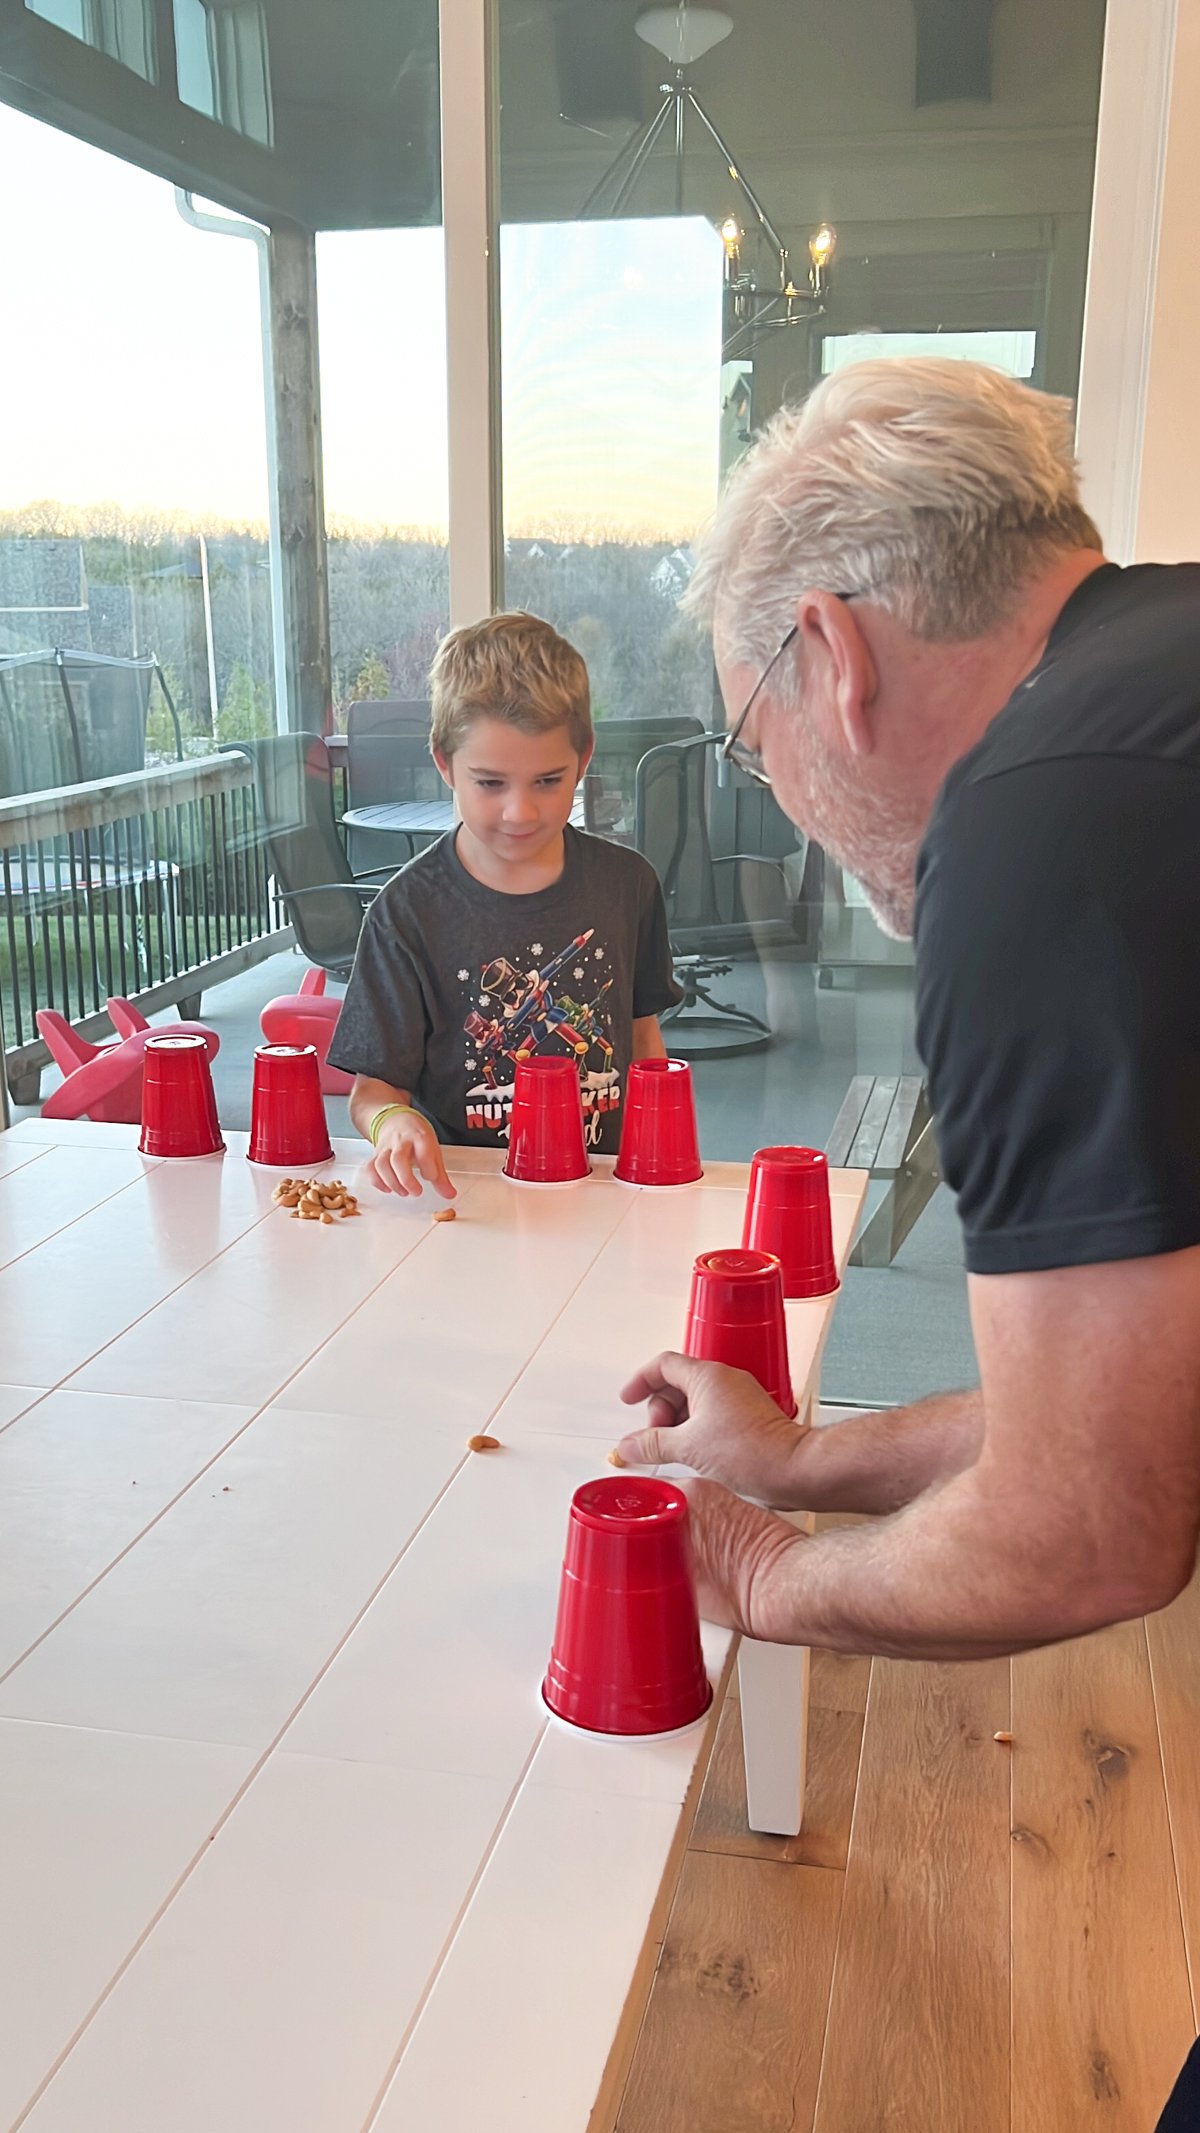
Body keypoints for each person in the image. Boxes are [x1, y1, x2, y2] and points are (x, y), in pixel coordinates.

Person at [612, 359, 1200, 2124]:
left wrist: (771, 1574)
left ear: (831, 656)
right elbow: (1134, 1406)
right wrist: (801, 1456)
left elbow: (1090, 1525)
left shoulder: (1044, 829)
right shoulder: (1158, 684)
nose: (777, 792)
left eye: (747, 737)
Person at [329, 612, 681, 1198]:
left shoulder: (628, 885)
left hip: (608, 1191)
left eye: (548, 781)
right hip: (467, 1199)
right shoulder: (405, 912)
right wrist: (395, 1123)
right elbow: (373, 1093)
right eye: (490, 783)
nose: (521, 812)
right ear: (443, 763)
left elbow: (643, 1041)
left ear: (584, 759)